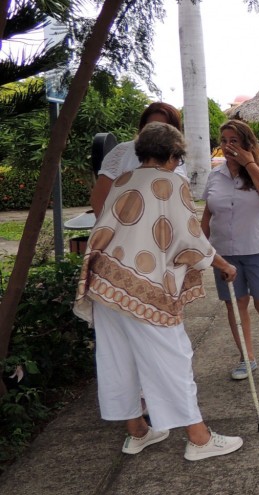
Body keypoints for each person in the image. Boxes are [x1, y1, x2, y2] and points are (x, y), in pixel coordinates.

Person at [74, 123, 243, 461]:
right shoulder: (172, 183)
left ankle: (137, 432)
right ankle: (198, 438)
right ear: (173, 156)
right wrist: (221, 264)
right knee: (173, 358)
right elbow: (190, 239)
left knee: (117, 359)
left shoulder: (123, 181)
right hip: (144, 288)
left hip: (105, 282)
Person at [201, 119, 259, 381]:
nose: (228, 146)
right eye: (224, 141)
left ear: (246, 143)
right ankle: (247, 358)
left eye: (234, 141)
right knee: (235, 304)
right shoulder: (215, 175)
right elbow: (208, 212)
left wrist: (249, 164)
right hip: (225, 253)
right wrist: (200, 246)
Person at [90, 101, 186, 214]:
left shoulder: (177, 156)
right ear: (142, 127)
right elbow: (99, 200)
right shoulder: (122, 152)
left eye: (164, 127)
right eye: (152, 126)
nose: (158, 132)